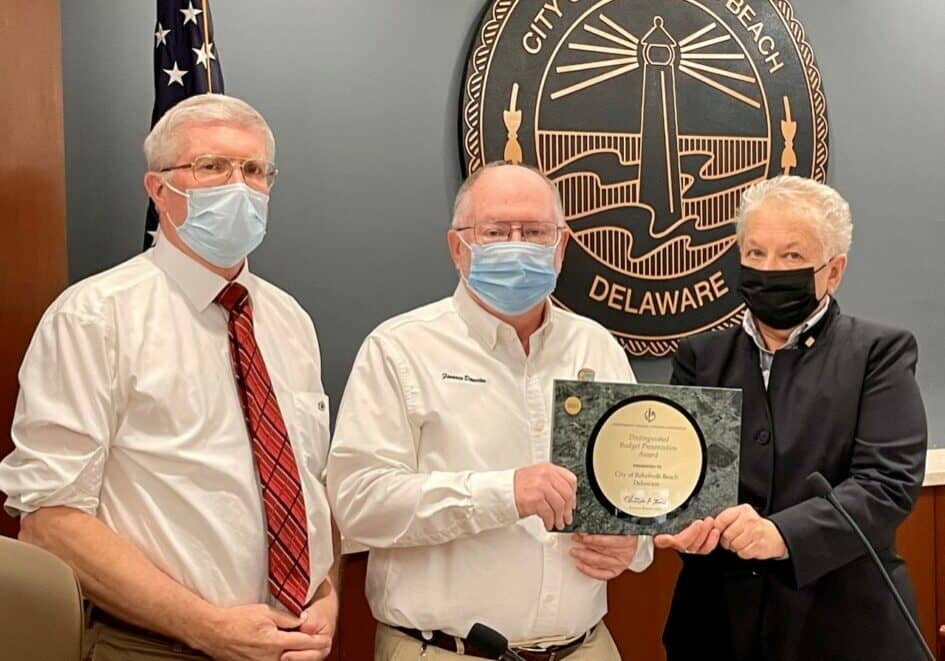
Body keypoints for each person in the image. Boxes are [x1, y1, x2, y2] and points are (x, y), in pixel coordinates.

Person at [0, 94, 339, 661]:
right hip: (155, 645)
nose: (239, 186)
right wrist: (205, 626)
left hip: (291, 644)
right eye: (212, 166)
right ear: (158, 189)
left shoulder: (290, 321)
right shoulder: (95, 317)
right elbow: (50, 522)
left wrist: (325, 595)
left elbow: (304, 483)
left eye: (255, 170)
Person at [327, 162, 653, 661]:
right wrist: (506, 493)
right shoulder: (400, 349)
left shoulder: (597, 347)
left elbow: (636, 488)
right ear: (458, 247)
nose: (517, 246)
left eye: (536, 232)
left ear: (561, 247)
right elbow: (359, 503)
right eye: (496, 232)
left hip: (586, 647)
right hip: (444, 651)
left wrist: (634, 545)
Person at [654, 175, 928, 661]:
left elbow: (886, 484)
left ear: (834, 271)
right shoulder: (700, 357)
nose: (769, 269)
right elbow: (681, 472)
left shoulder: (878, 353)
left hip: (842, 627)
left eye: (792, 256)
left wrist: (781, 534)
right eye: (755, 253)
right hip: (717, 627)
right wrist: (681, 520)